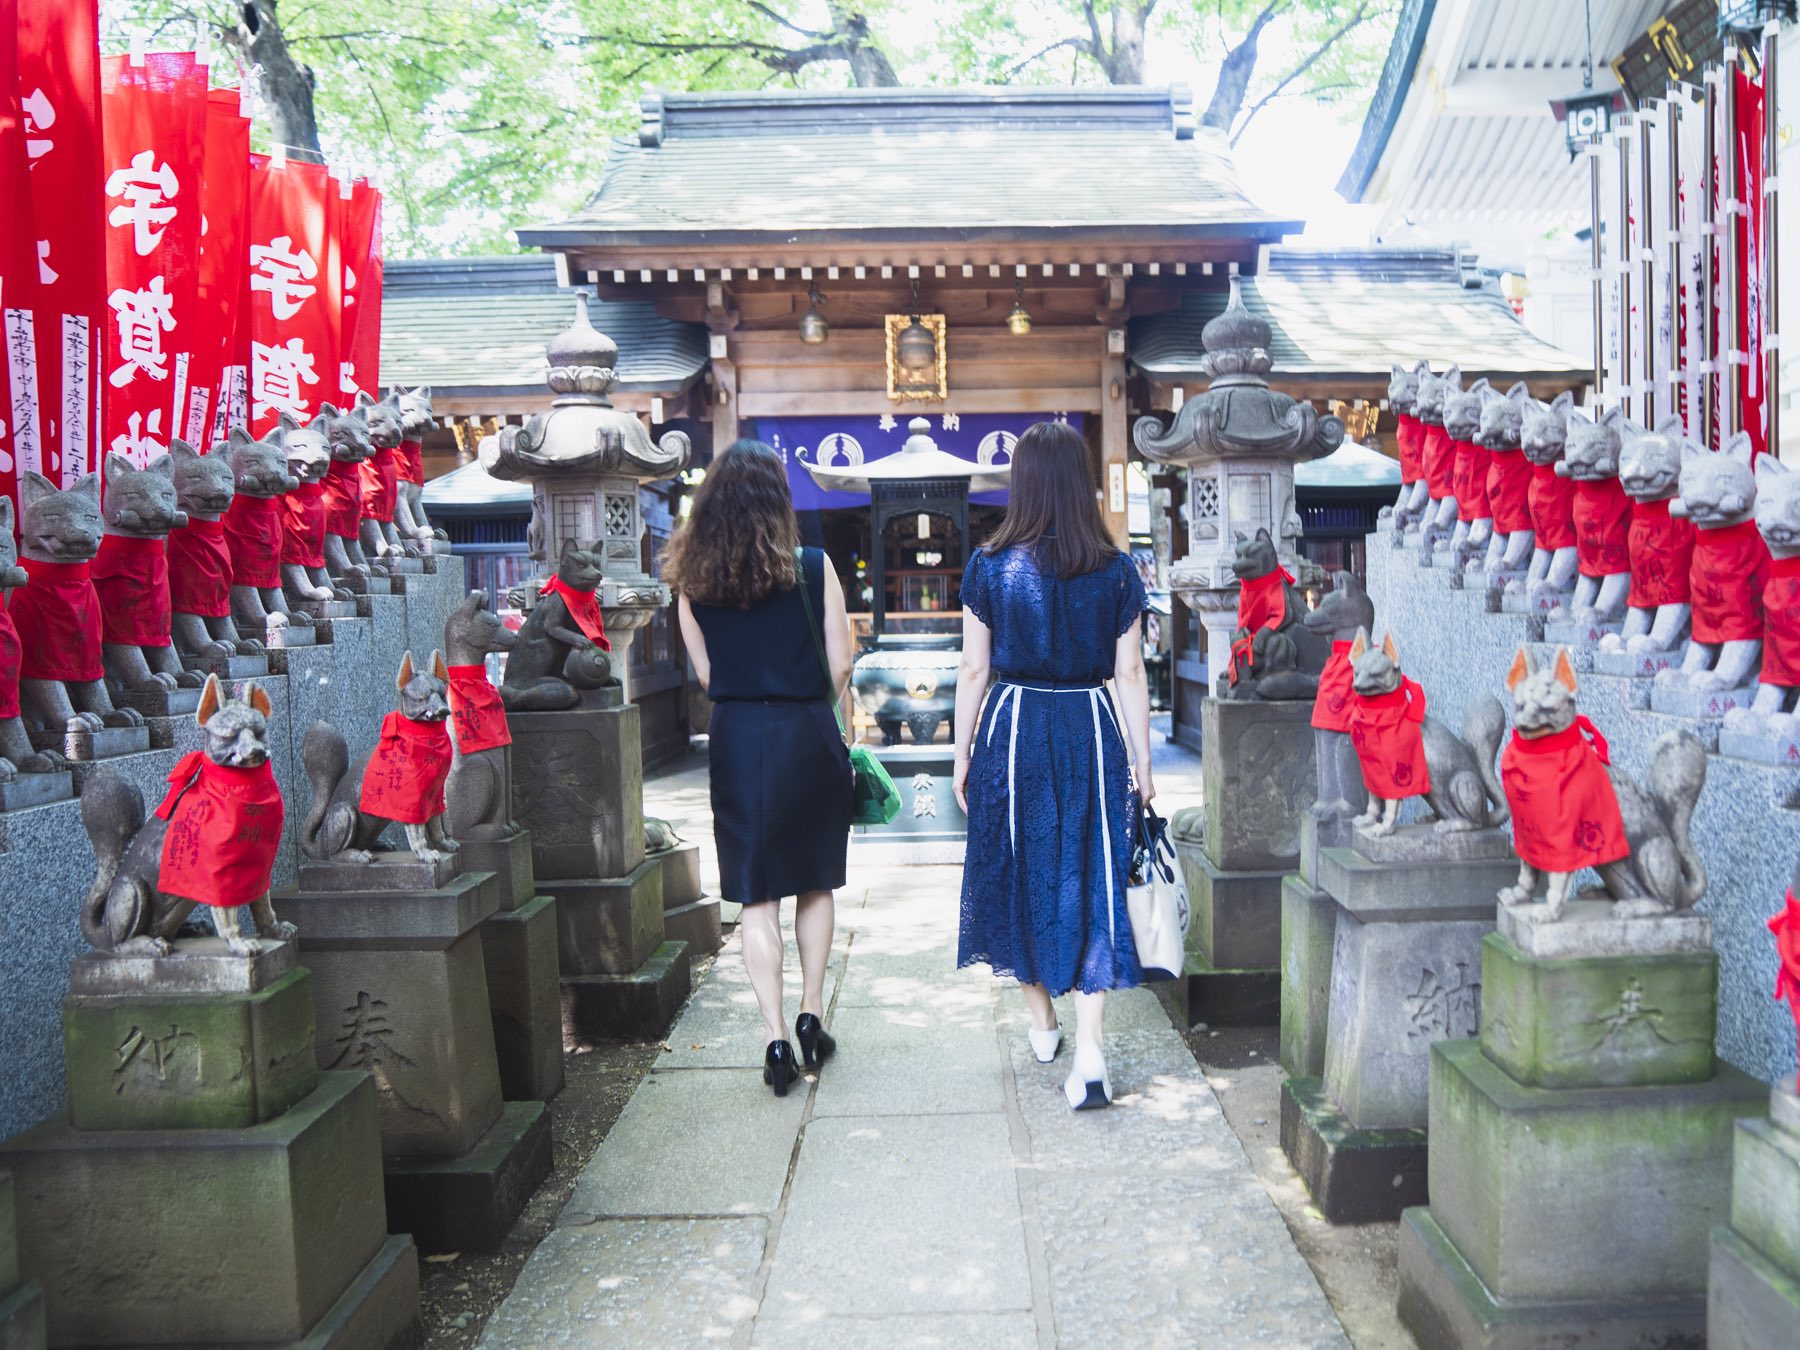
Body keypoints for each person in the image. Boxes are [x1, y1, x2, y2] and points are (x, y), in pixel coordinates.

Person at [952, 420, 1153, 1111]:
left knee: (1014, 869)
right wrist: (1144, 764)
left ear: (1023, 485)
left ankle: (1043, 1022)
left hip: (1011, 727)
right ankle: (1091, 1050)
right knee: (1092, 872)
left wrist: (961, 754)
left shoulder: (988, 565)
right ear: (1081, 483)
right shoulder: (1117, 569)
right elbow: (1130, 673)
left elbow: (975, 667)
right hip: (1092, 730)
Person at [668, 441, 854, 1097]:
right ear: (779, 501)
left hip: (740, 739)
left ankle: (774, 1038)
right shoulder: (813, 566)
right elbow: (842, 662)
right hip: (806, 731)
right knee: (815, 883)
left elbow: (708, 675)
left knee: (756, 897)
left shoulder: (691, 584)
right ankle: (811, 1014)